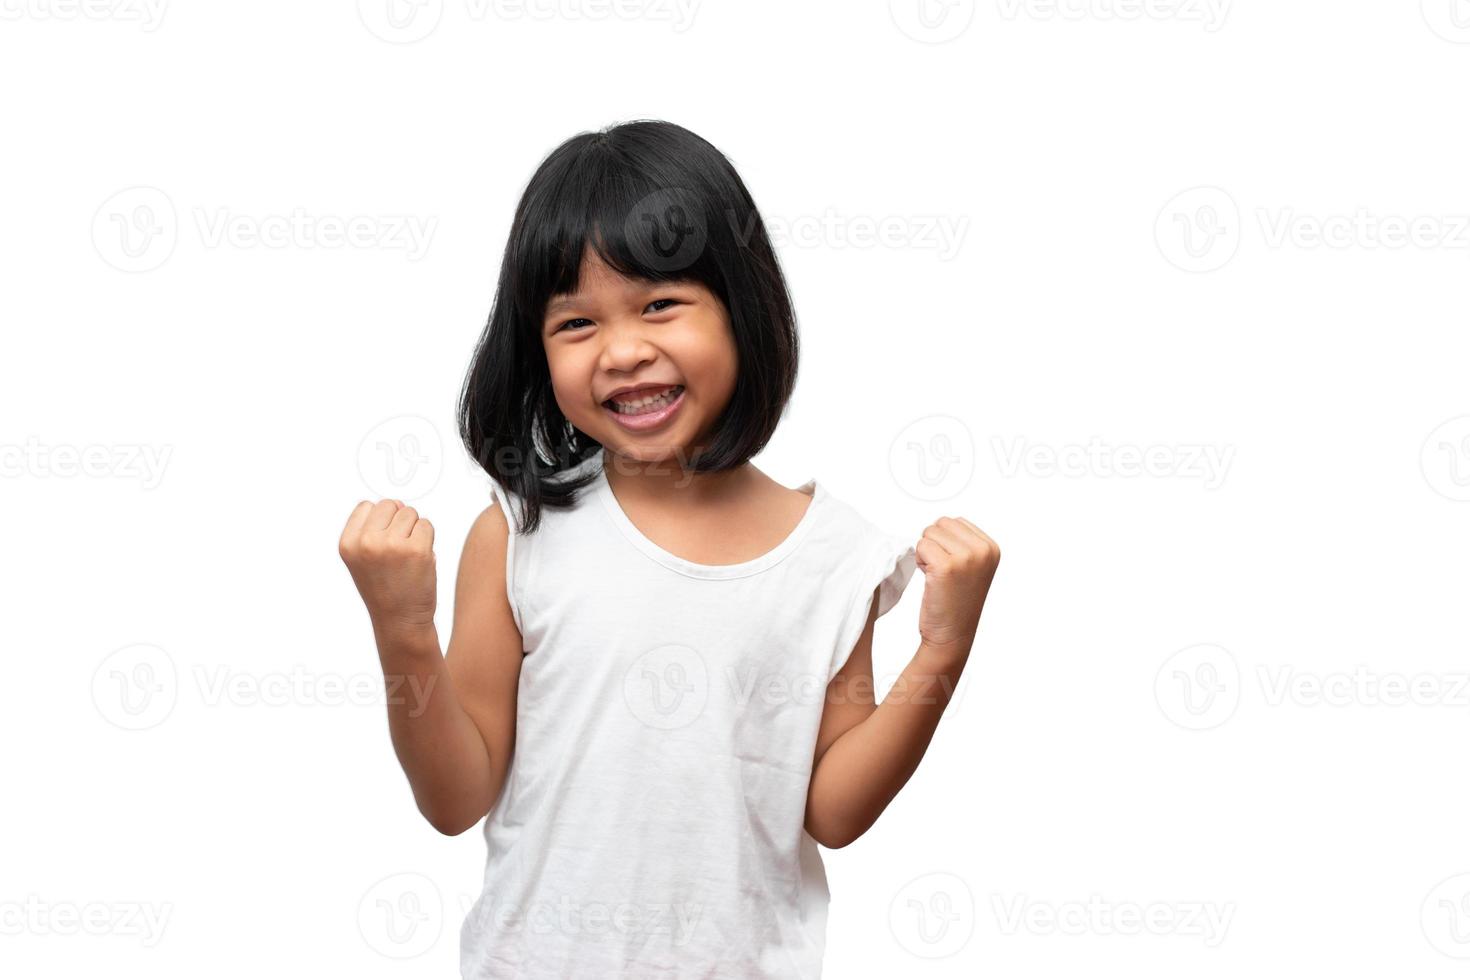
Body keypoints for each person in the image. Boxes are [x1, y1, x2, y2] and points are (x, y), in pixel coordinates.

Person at [337, 119, 1001, 978]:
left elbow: (833, 811)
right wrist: (401, 630)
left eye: (659, 304)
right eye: (576, 323)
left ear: (742, 307)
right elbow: (456, 797)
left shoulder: (835, 555)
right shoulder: (520, 532)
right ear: (537, 352)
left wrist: (943, 648)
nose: (622, 351)